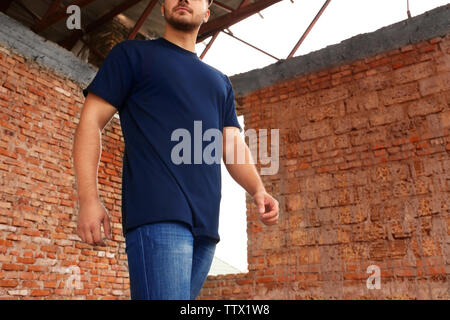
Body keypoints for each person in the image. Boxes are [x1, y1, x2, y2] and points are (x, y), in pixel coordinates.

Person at [72, 0, 279, 300]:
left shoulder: (220, 83)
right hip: (158, 215)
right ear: (162, 7)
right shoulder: (132, 55)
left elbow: (232, 144)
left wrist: (258, 190)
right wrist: (88, 197)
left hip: (206, 228)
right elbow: (90, 123)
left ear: (207, 13)